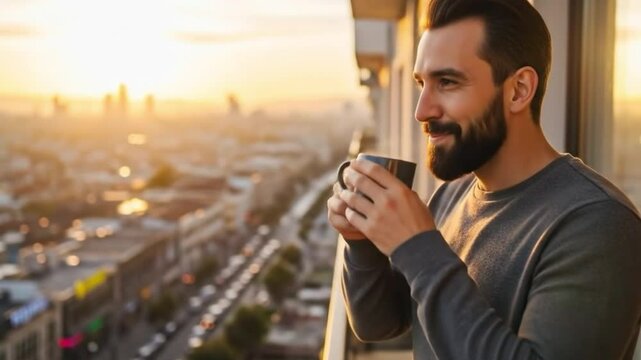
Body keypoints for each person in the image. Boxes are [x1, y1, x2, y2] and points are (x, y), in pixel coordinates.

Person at [326, 0, 641, 359]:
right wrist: (361, 241)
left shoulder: (598, 224)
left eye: (447, 82)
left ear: (519, 90)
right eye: (421, 84)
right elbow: (379, 324)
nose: (422, 110)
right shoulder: (451, 197)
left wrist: (417, 246)